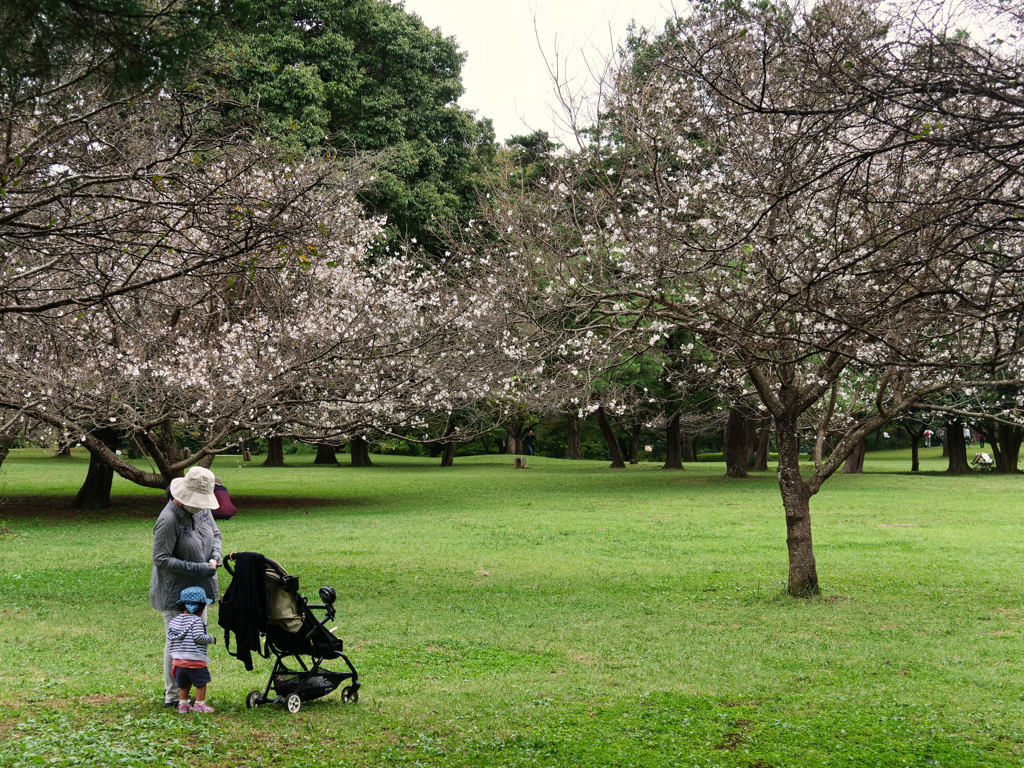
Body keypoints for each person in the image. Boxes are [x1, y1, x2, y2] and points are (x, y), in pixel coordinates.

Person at [151, 465, 222, 708]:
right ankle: (173, 695)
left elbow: (216, 535)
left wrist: (215, 554)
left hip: (200, 589)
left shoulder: (202, 510)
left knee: (195, 641)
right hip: (175, 591)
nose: (202, 506)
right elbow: (161, 559)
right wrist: (198, 567)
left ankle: (188, 694)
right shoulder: (168, 520)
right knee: (177, 642)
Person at [167, 586, 217, 713]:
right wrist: (211, 639)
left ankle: (183, 706)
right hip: (194, 660)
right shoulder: (196, 621)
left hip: (178, 661)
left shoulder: (175, 621)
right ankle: (200, 705)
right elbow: (198, 637)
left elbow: (170, 637)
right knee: (201, 683)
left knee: (184, 684)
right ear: (200, 607)